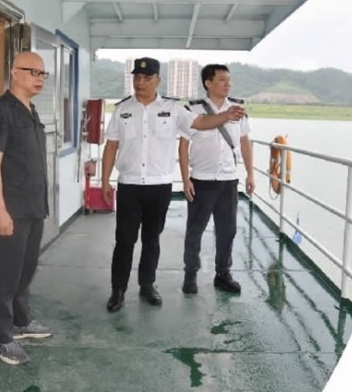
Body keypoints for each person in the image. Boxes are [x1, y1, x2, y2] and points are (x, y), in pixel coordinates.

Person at [101, 57, 245, 313]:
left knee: (152, 239)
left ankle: (147, 285)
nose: (140, 82)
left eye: (146, 78)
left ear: (157, 80)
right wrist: (104, 181)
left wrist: (225, 116)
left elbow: (200, 122)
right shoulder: (122, 109)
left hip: (159, 186)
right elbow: (111, 146)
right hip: (129, 185)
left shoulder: (173, 108)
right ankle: (118, 289)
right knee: (124, 240)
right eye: (137, 77)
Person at [0, 51, 52, 366]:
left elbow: (33, 163)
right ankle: (0, 337)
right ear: (14, 72)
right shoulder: (0, 112)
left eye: (42, 73)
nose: (39, 78)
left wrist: (43, 204)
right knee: (6, 275)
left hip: (33, 207)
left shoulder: (31, 111)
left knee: (26, 269)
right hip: (10, 209)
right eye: (32, 71)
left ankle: (21, 322)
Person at [178, 64, 255, 295]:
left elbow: (244, 142)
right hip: (201, 180)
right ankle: (190, 275)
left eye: (229, 80)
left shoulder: (237, 109)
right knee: (195, 231)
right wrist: (185, 179)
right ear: (208, 83)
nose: (227, 84)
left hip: (228, 180)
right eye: (222, 80)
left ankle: (223, 274)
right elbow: (183, 146)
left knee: (227, 230)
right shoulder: (193, 110)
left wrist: (250, 173)